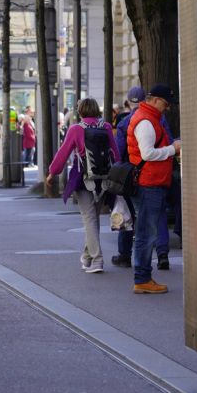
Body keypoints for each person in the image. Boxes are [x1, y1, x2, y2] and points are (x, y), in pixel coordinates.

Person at [46, 98, 119, 274]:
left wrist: (52, 173)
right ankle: (87, 257)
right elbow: (115, 154)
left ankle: (97, 259)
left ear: (80, 112)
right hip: (104, 180)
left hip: (83, 179)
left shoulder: (76, 129)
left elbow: (62, 154)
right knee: (93, 219)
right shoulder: (107, 127)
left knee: (89, 219)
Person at [128, 84, 181, 294]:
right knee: (146, 233)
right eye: (166, 104)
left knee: (145, 232)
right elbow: (148, 154)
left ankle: (143, 277)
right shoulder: (147, 122)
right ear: (157, 100)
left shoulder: (147, 118)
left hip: (151, 182)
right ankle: (142, 278)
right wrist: (172, 149)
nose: (166, 108)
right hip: (149, 183)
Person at [112, 86, 146, 268]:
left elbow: (118, 152)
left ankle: (125, 255)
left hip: (128, 175)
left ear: (128, 102)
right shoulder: (157, 119)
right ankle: (161, 254)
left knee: (126, 215)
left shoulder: (124, 122)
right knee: (150, 215)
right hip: (150, 175)